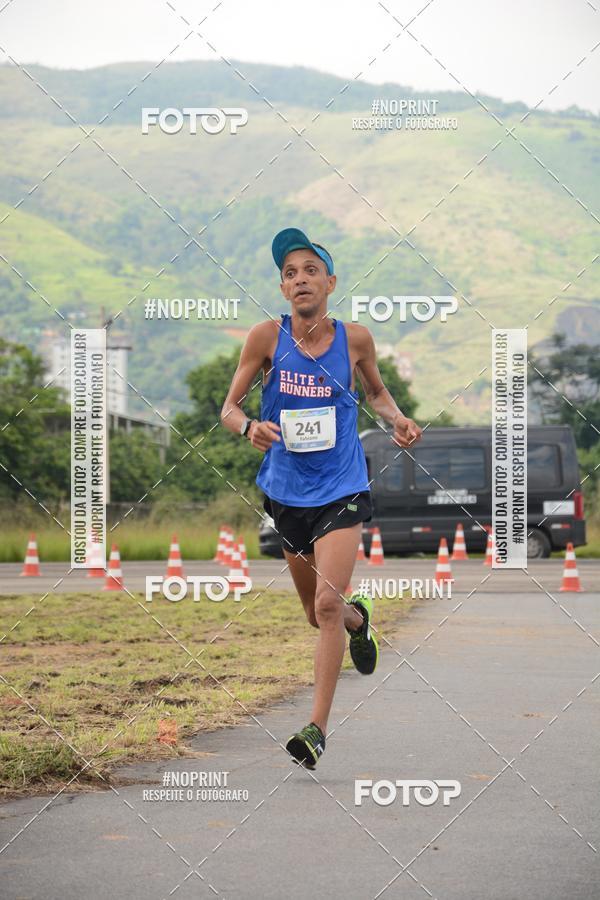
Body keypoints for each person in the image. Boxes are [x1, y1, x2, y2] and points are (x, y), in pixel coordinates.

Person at [220, 227, 422, 769]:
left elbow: (376, 392)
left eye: (311, 270)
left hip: (342, 486)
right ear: (282, 288)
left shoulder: (355, 340)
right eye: (290, 273)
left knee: (326, 603)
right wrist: (249, 428)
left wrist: (397, 418)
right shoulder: (265, 338)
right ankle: (359, 621)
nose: (301, 279)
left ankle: (316, 730)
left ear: (330, 282)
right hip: (287, 491)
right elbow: (229, 408)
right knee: (317, 613)